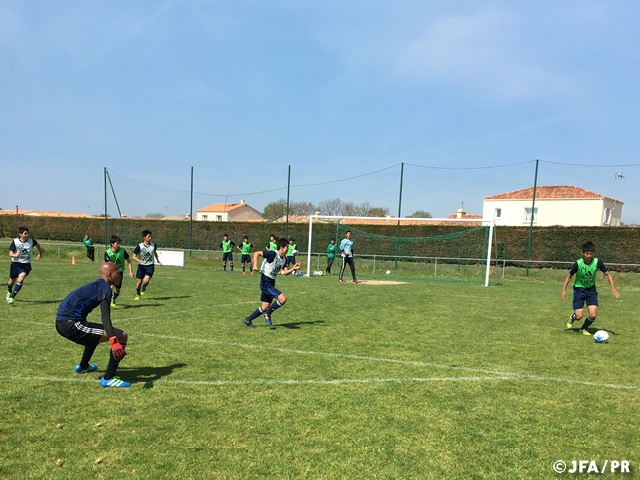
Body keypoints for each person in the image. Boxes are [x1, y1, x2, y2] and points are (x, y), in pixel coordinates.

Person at [56, 262, 130, 387]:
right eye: (118, 273)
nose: (120, 276)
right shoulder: (105, 288)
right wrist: (114, 340)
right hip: (71, 324)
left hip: (62, 322)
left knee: (95, 335)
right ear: (109, 275)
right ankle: (108, 379)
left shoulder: (98, 285)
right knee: (122, 335)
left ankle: (84, 365)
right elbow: (105, 317)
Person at [561, 241, 620, 335]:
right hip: (579, 290)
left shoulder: (597, 262)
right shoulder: (578, 263)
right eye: (587, 253)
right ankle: (573, 317)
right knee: (579, 316)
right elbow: (569, 276)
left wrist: (613, 288)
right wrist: (563, 290)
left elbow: (608, 274)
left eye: (591, 253)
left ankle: (583, 329)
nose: (589, 256)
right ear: (582, 253)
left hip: (591, 290)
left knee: (593, 314)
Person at [243, 238, 301, 328]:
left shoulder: (284, 259)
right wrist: (255, 265)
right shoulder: (273, 254)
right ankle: (268, 313)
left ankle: (248, 319)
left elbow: (285, 273)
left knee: (265, 306)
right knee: (283, 299)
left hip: (271, 282)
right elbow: (256, 253)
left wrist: (293, 268)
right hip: (265, 281)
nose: (288, 249)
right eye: (287, 247)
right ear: (281, 247)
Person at [6, 226, 43, 305]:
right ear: (20, 234)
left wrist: (40, 253)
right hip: (15, 264)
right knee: (11, 280)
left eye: (27, 233)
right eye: (25, 233)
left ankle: (12, 297)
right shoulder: (15, 242)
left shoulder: (31, 241)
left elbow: (37, 245)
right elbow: (10, 253)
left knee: (21, 278)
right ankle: (9, 292)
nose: (27, 235)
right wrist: (15, 255)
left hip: (26, 264)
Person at [104, 235, 134, 307]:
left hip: (119, 273)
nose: (119, 245)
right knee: (110, 287)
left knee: (117, 290)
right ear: (112, 244)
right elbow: (108, 264)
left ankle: (113, 298)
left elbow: (129, 261)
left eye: (119, 243)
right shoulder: (107, 253)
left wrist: (131, 271)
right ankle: (106, 302)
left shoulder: (122, 251)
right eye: (117, 243)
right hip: (110, 272)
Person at [132, 230, 162, 300]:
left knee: (146, 281)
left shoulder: (153, 245)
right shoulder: (140, 246)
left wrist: (158, 261)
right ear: (144, 237)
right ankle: (138, 294)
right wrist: (139, 261)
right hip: (141, 266)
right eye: (148, 236)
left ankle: (144, 287)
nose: (150, 238)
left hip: (150, 266)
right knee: (139, 282)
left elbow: (154, 253)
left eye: (150, 236)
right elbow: (133, 256)